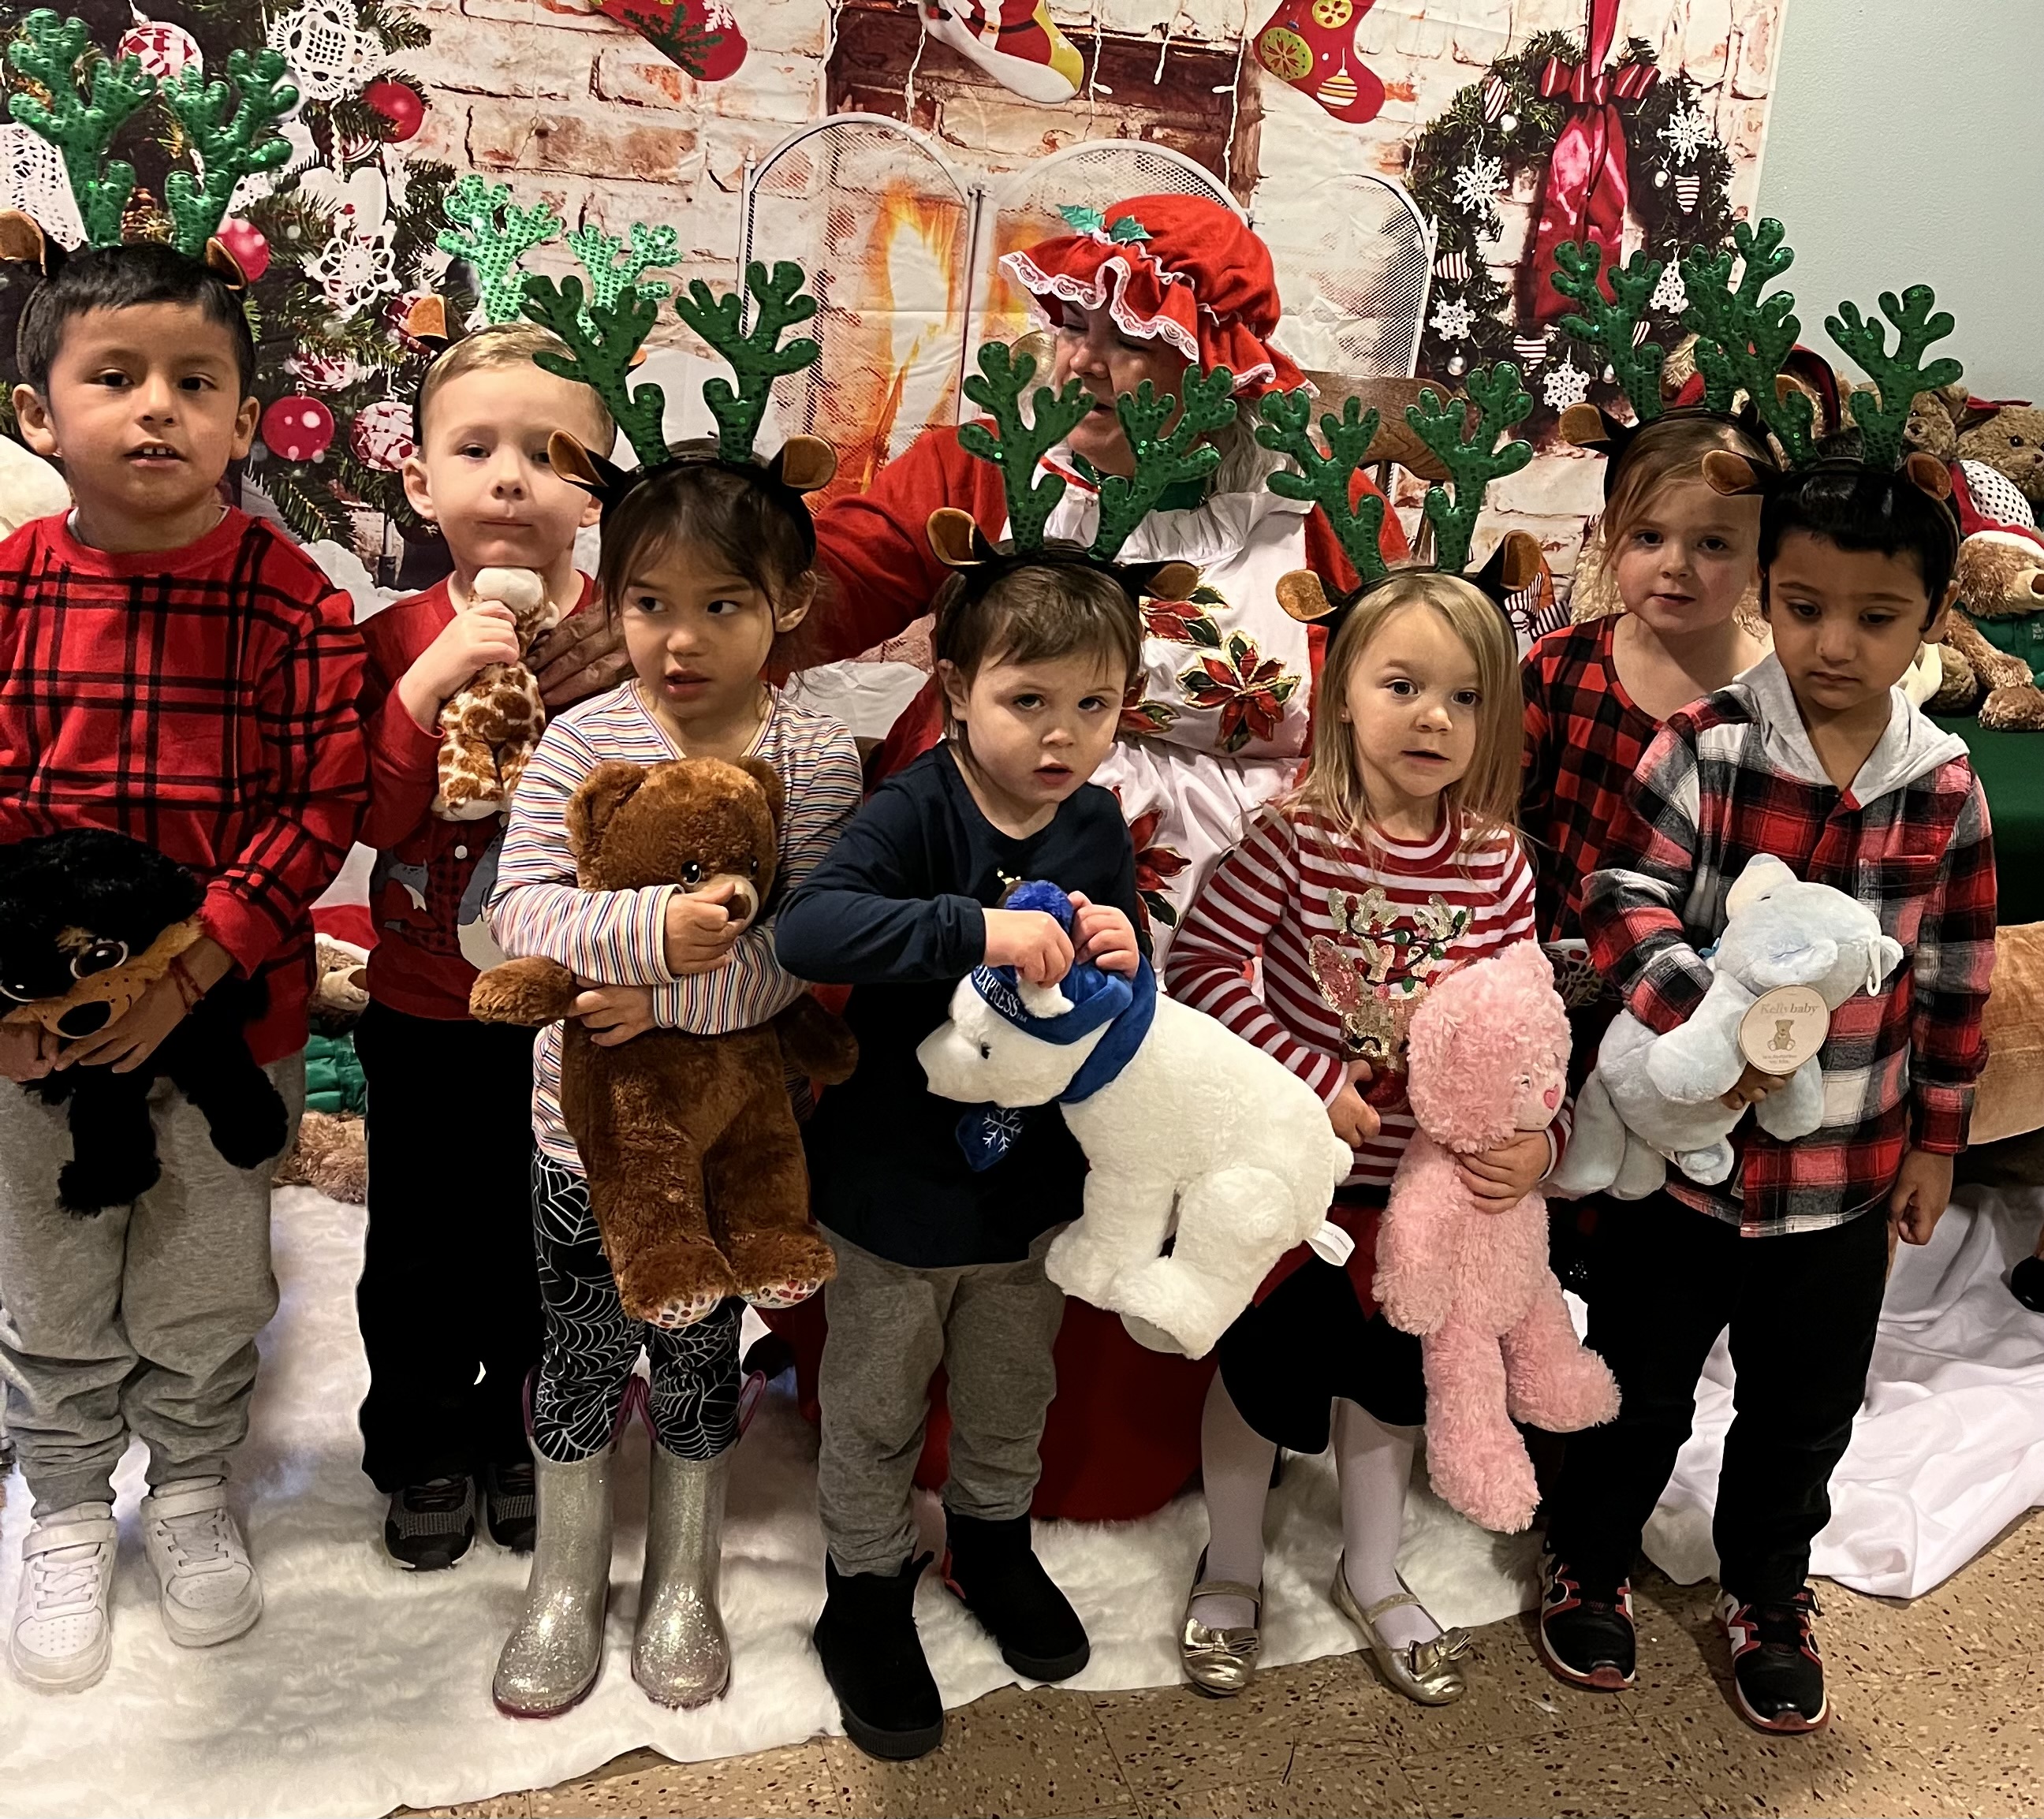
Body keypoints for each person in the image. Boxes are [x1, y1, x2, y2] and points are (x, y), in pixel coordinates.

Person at [784, 192, 1411, 1530]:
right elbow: (834, 580)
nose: (1081, 362)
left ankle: (1115, 1448)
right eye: (1069, 323)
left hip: (1233, 927)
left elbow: (1408, 675)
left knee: (1160, 1167)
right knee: (948, 1138)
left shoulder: (1318, 493)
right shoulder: (999, 454)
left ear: (1218, 362)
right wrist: (698, 588)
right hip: (989, 877)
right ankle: (901, 1440)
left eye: (1128, 339)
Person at [1537, 455, 1996, 1734]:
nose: (1833, 644)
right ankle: (1589, 1555)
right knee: (1636, 1379)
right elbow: (1622, 895)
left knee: (1804, 1405)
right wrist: (1706, 1022)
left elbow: (1957, 980)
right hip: (1687, 1164)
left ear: (1929, 618)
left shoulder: (1944, 786)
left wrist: (1937, 1146)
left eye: (1875, 617)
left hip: (1843, 1174)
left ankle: (1768, 1587)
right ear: (1770, 595)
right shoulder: (1710, 745)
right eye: (1803, 608)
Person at [0, 237, 367, 1690]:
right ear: (39, 415)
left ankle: (196, 1479)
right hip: (41, 1030)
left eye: (195, 382)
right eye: (116, 376)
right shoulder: (11, 589)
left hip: (229, 1010)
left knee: (208, 1272)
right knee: (52, 1267)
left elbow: (318, 806)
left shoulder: (291, 597)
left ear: (243, 417)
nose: (158, 407)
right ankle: (66, 1502)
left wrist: (193, 967)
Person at [486, 446, 860, 1716]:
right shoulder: (581, 737)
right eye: (649, 603)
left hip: (731, 1136)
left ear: (787, 604)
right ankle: (563, 1579)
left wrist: (669, 997)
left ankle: (685, 1579)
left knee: (700, 1346)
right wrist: (650, 931)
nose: (681, 639)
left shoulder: (816, 756)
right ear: (611, 600)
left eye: (721, 604)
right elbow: (521, 909)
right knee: (581, 1348)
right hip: (580, 1130)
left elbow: (806, 945)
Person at [776, 556, 1148, 1760]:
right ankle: (865, 1585)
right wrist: (974, 928)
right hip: (891, 1185)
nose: (1061, 735)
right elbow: (810, 927)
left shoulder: (1093, 820)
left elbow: (1117, 980)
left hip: (1029, 1189)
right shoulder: (916, 809)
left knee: (1010, 1388)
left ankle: (991, 1543)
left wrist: (1119, 945)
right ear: (954, 689)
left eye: (1092, 705)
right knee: (876, 1401)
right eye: (1028, 701)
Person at [1166, 571, 1551, 1705]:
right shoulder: (1292, 838)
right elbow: (1198, 968)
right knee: (1260, 1380)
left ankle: (1372, 1569)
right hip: (1298, 1182)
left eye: (1465, 697)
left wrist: (1542, 1137)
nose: (1433, 718)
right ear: (1341, 694)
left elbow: (1527, 1020)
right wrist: (1313, 1074)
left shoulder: (1498, 861)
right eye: (1402, 686)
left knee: (1389, 1388)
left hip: (1425, 1196)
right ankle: (1233, 1562)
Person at [350, 321, 623, 1570]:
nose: (511, 478)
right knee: (418, 1242)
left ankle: (525, 1434)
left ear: (594, 486)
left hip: (570, 1005)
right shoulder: (393, 637)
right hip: (424, 1002)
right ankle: (420, 1443)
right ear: (420, 481)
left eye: (547, 453)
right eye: (475, 450)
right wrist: (428, 686)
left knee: (547, 1234)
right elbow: (370, 817)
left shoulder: (624, 638)